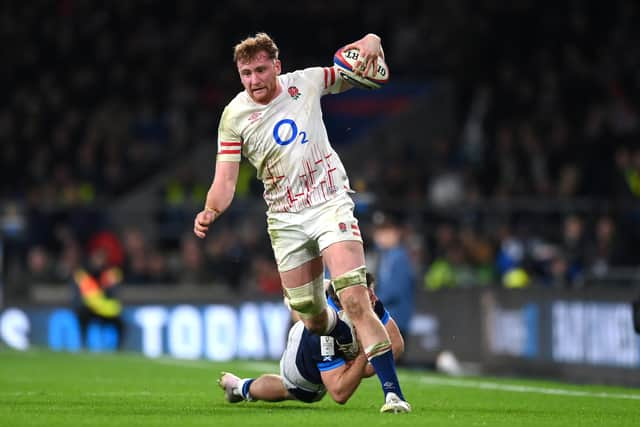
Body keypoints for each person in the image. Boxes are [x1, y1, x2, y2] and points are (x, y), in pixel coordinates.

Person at [193, 32, 410, 413]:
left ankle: (393, 394)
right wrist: (211, 209)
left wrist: (373, 40)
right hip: (285, 219)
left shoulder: (306, 82)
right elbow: (225, 180)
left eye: (260, 69)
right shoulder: (234, 116)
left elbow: (357, 75)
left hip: (330, 203)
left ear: (276, 66)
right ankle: (341, 332)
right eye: (245, 73)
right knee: (309, 316)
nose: (254, 79)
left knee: (354, 294)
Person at [217, 274, 407, 410]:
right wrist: (363, 356)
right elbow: (339, 394)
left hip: (323, 315)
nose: (374, 299)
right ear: (344, 303)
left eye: (371, 294)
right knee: (297, 392)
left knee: (305, 302)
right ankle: (240, 387)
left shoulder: (365, 300)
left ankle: (238, 386)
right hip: (304, 358)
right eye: (369, 295)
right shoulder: (324, 332)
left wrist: (359, 369)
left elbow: (396, 345)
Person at [370, 211, 415, 344]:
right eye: (379, 231)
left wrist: (369, 301)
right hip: (382, 316)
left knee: (392, 358)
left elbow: (395, 290)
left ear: (396, 233)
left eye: (386, 230)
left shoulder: (399, 257)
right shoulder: (379, 255)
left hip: (396, 318)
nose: (381, 236)